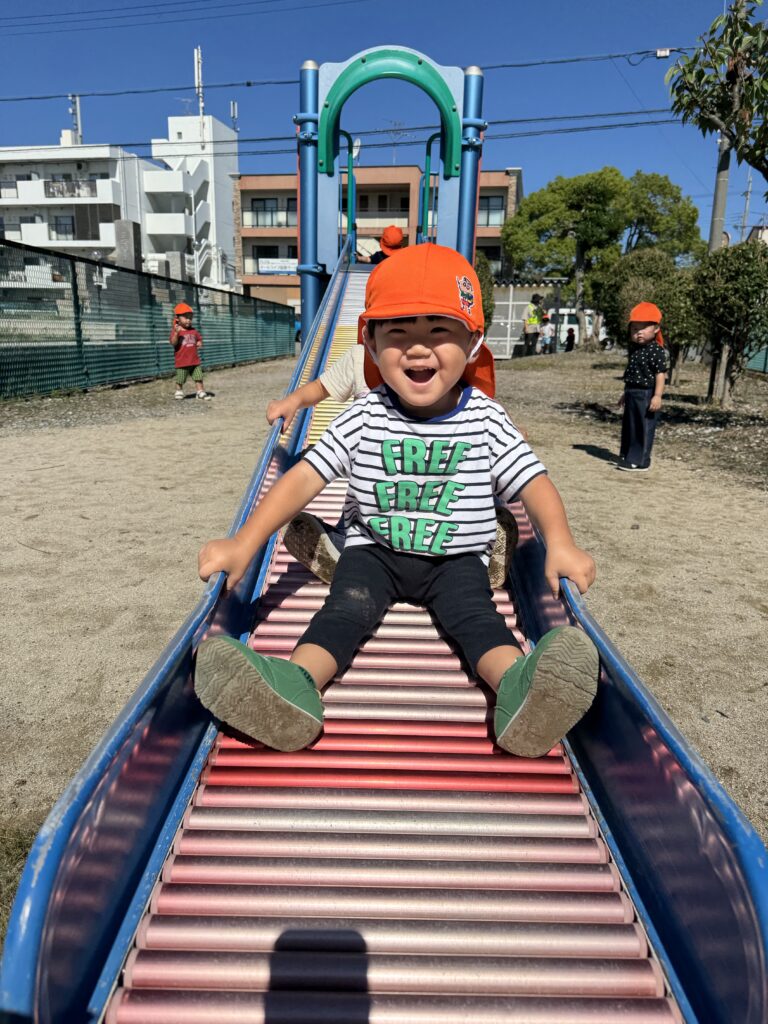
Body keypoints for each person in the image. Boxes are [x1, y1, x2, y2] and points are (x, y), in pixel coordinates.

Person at [195, 243, 599, 758]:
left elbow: (533, 482)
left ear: (473, 342)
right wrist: (244, 544)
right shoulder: (365, 414)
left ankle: (519, 690)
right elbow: (304, 479)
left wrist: (559, 543)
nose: (417, 349)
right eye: (399, 333)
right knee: (344, 610)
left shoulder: (486, 419)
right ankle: (294, 688)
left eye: (439, 331)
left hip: (456, 558)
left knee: (477, 620)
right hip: (375, 551)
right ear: (369, 341)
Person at [265, 342, 520, 589]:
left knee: (471, 496)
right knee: (361, 523)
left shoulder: (444, 353)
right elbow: (322, 387)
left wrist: (508, 429)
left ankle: (482, 552)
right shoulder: (360, 357)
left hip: (443, 479)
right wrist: (294, 401)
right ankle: (343, 556)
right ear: (372, 336)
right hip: (379, 491)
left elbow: (477, 403)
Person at [617, 302, 668, 473]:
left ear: (656, 328)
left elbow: (660, 374)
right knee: (630, 426)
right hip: (632, 392)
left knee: (643, 427)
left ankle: (640, 461)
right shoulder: (635, 350)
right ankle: (627, 455)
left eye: (643, 328)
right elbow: (632, 374)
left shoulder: (656, 350)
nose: (638, 332)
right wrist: (625, 393)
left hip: (646, 394)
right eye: (634, 329)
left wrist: (657, 395)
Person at [169, 302, 211, 400]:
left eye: (190, 318)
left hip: (194, 361)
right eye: (186, 317)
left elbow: (199, 338)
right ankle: (179, 390)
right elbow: (173, 343)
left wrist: (199, 342)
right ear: (177, 318)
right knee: (180, 378)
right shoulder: (176, 331)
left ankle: (200, 391)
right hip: (182, 361)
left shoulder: (193, 331)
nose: (188, 320)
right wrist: (176, 334)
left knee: (198, 377)